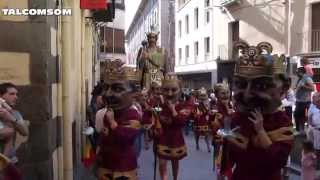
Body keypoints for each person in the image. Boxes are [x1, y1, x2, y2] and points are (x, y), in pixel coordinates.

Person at [225, 41, 293, 180]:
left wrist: (261, 131)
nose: (247, 94)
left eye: (261, 86)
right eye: (241, 84)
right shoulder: (237, 118)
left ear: (283, 89)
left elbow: (278, 161)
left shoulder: (282, 122)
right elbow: (228, 158)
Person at [96, 59, 142, 180]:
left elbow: (126, 138)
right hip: (106, 165)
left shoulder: (133, 115)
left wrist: (112, 123)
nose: (108, 94)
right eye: (106, 88)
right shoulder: (108, 112)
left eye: (117, 89)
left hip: (123, 168)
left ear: (133, 94)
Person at [157, 74, 191, 180]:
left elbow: (181, 122)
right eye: (166, 90)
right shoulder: (159, 104)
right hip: (162, 138)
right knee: (162, 163)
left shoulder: (185, 105)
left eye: (173, 90)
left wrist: (173, 110)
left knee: (174, 162)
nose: (170, 93)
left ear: (180, 89)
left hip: (175, 139)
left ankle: (175, 178)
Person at [0, 83, 29, 163]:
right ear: (1, 95)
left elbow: (25, 132)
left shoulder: (15, 113)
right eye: (12, 94)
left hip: (10, 162)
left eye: (16, 94)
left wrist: (12, 118)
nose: (16, 97)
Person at [294, 67, 315, 133]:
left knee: (304, 116)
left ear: (301, 72)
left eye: (297, 72)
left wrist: (303, 86)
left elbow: (312, 88)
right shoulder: (300, 79)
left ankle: (307, 131)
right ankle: (300, 130)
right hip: (299, 100)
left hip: (305, 101)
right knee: (298, 116)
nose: (296, 73)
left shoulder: (307, 78)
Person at [193, 87, 211, 152]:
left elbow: (208, 112)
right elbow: (194, 112)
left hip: (204, 121)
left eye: (204, 95)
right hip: (197, 121)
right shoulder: (196, 103)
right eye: (201, 95)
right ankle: (197, 144)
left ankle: (208, 146)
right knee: (197, 134)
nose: (203, 97)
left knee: (206, 134)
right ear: (198, 96)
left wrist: (208, 110)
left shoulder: (207, 103)